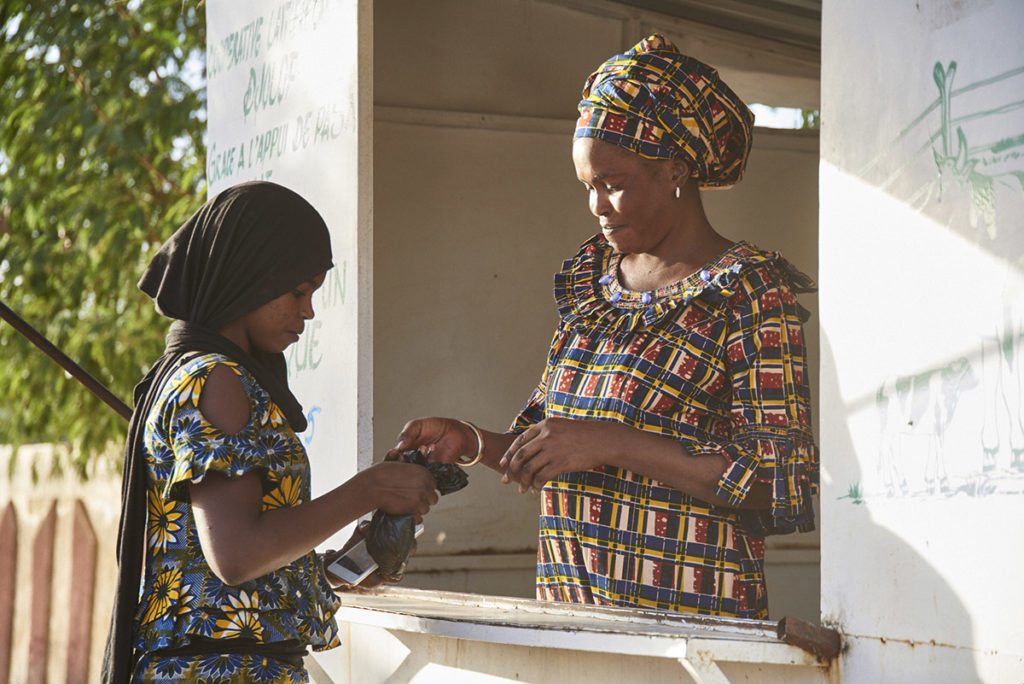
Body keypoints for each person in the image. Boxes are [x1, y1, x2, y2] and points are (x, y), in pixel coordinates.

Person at [390, 35, 819, 619]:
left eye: (612, 183)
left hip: (689, 634)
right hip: (573, 621)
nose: (597, 206)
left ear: (674, 170)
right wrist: (472, 442)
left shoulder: (745, 293)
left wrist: (611, 442)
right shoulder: (594, 287)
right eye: (588, 187)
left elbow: (776, 478)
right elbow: (553, 441)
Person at [103, 181, 439, 683]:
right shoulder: (218, 379)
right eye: (298, 292)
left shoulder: (190, 372)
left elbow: (229, 571)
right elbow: (236, 556)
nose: (306, 311)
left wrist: (338, 563)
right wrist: (372, 487)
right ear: (250, 277)